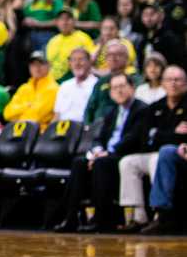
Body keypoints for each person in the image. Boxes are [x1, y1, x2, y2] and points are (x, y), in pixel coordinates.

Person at [55, 73, 147, 233]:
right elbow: (98, 138)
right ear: (110, 92)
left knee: (101, 164)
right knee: (79, 163)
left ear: (132, 88)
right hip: (105, 155)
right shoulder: (111, 112)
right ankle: (70, 218)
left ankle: (100, 218)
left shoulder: (142, 109)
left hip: (127, 155)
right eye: (114, 88)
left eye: (122, 86)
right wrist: (96, 152)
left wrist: (108, 153)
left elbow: (134, 138)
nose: (118, 91)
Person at [115, 65, 187, 232]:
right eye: (169, 79)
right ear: (162, 83)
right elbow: (146, 139)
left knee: (162, 155)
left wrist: (161, 135)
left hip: (176, 155)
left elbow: (159, 138)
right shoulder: (154, 108)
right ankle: (137, 217)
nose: (174, 83)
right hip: (153, 152)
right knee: (128, 162)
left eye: (178, 80)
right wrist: (172, 133)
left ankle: (160, 214)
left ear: (185, 83)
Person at [3, 52, 59, 129]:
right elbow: (7, 113)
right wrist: (26, 106)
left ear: (49, 65)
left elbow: (36, 116)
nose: (37, 68)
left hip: (41, 134)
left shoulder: (53, 89)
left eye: (41, 63)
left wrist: (19, 116)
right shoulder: (24, 88)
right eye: (33, 64)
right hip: (20, 133)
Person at [53, 48, 98, 123]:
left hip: (84, 129)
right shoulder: (65, 85)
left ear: (89, 62)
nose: (77, 63)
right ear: (70, 64)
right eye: (73, 60)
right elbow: (57, 115)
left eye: (81, 59)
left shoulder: (96, 85)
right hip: (62, 129)